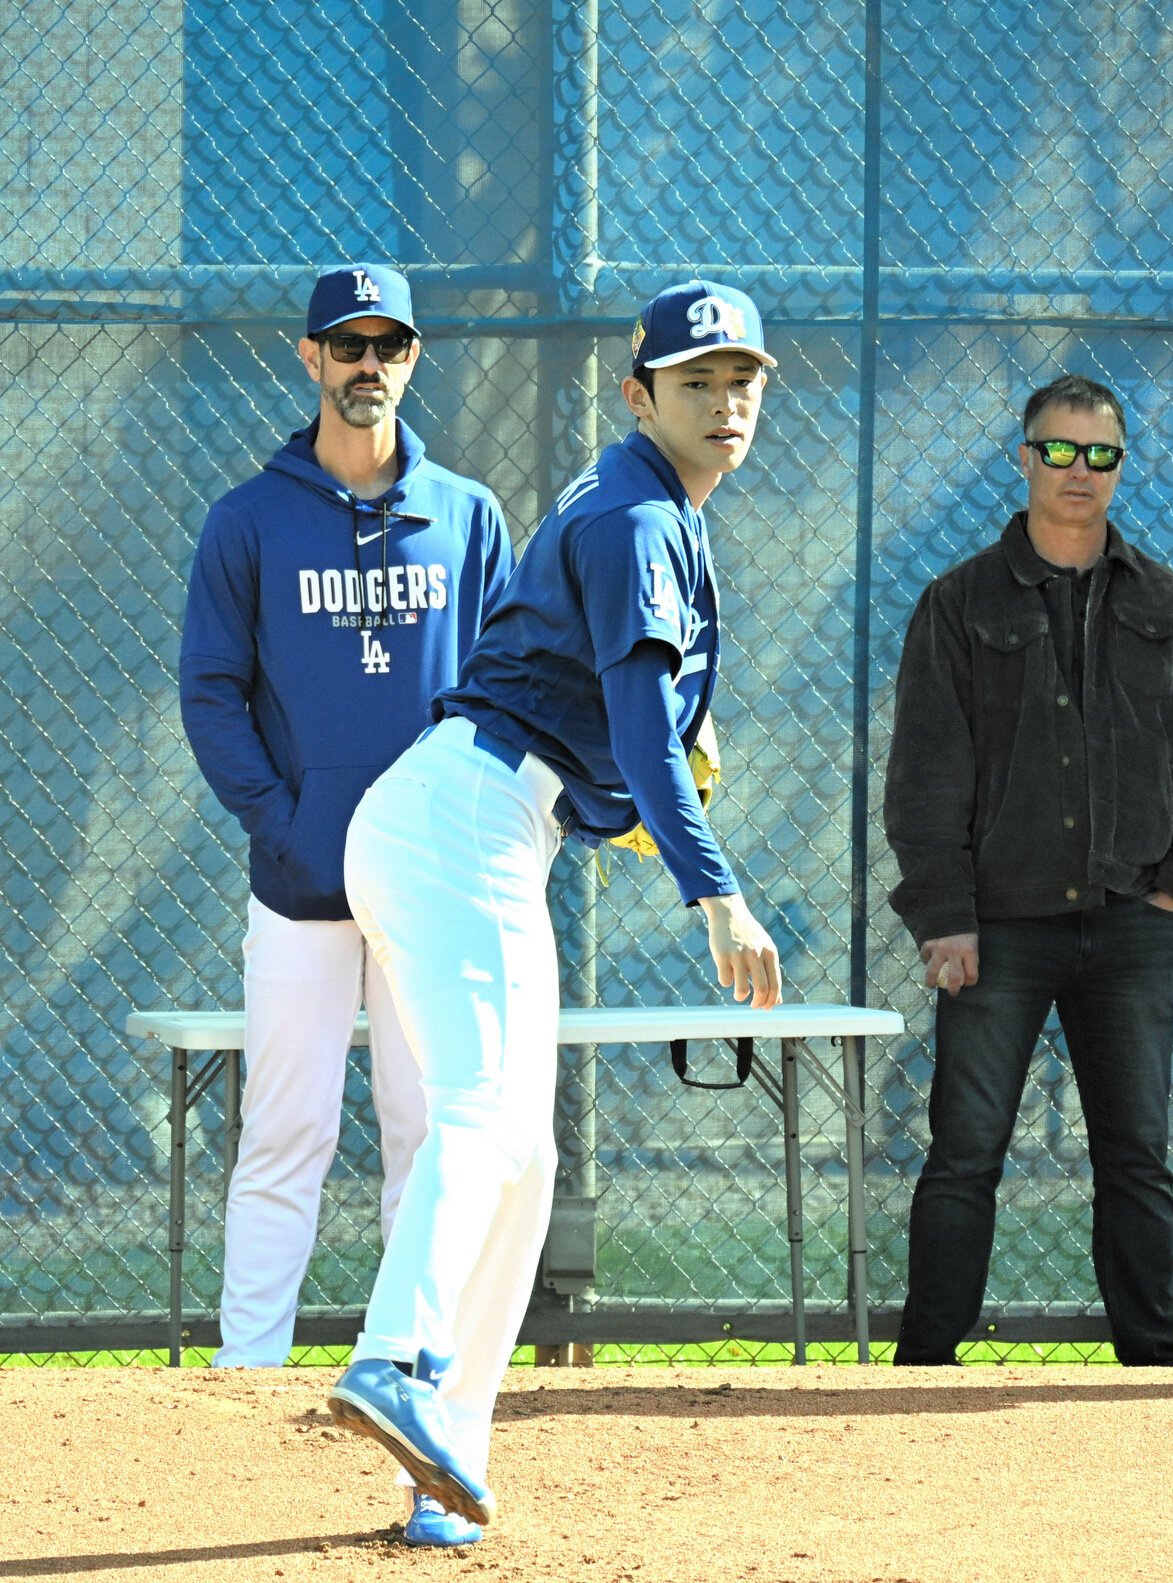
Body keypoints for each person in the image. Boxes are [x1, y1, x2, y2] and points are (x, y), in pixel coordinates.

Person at [326, 280, 784, 1531]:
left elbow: (615, 740)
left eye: (742, 378)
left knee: (522, 1156)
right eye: (695, 380)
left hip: (475, 819)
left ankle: (443, 1469)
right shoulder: (639, 517)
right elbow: (637, 727)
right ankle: (392, 1351)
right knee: (483, 1115)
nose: (724, 400)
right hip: (462, 816)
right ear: (638, 395)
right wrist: (716, 889)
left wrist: (633, 788)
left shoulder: (646, 507)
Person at [179, 261, 513, 1399]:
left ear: (412, 359)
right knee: (285, 1134)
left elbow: (507, 683)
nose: (369, 365)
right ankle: (248, 1371)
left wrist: (471, 836)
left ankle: (416, 1366)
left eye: (391, 346)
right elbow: (210, 691)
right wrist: (282, 822)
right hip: (303, 880)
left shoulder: (467, 516)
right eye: (348, 344)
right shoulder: (250, 520)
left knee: (428, 1137)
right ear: (309, 357)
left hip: (429, 883)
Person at [884, 374, 1173, 1368]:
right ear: (1023, 457)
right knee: (964, 1154)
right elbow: (922, 774)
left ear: (1120, 468)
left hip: (1131, 925)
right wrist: (943, 915)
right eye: (1060, 450)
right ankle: (922, 1368)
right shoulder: (958, 604)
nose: (1079, 471)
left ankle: (1153, 1369)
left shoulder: (1169, 605)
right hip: (997, 928)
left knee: (1136, 1158)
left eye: (1101, 455)